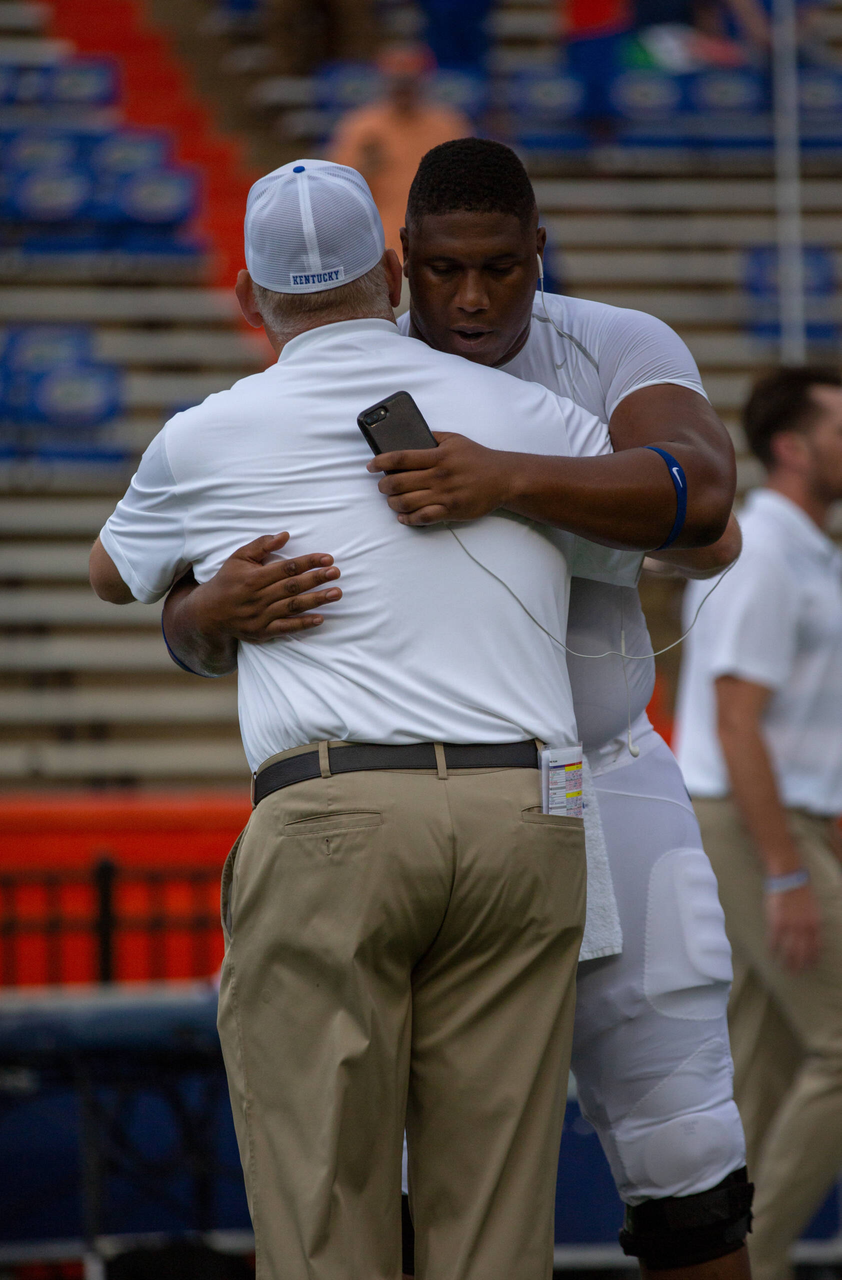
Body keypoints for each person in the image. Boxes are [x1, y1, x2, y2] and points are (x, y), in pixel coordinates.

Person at [162, 138, 753, 1277]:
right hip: (424, 787)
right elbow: (175, 599)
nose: (471, 297)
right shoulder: (326, 376)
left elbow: (705, 499)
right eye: (442, 271)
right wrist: (202, 619)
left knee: (684, 1153)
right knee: (373, 1172)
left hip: (598, 761)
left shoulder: (610, 342)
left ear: (540, 255)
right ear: (396, 269)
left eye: (499, 267)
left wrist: (503, 478)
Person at [675, 366, 842, 1280]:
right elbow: (736, 720)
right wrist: (785, 869)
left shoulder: (806, 549)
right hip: (753, 825)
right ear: (792, 446)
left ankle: (716, 1254)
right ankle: (752, 1265)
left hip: (778, 821)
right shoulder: (770, 551)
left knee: (765, 1069)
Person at [328, 45, 469, 252]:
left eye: (409, 81)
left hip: (438, 247)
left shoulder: (448, 126)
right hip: (377, 249)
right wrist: (365, 168)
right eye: (397, 81)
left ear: (424, 81)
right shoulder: (360, 127)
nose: (403, 89)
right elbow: (334, 195)